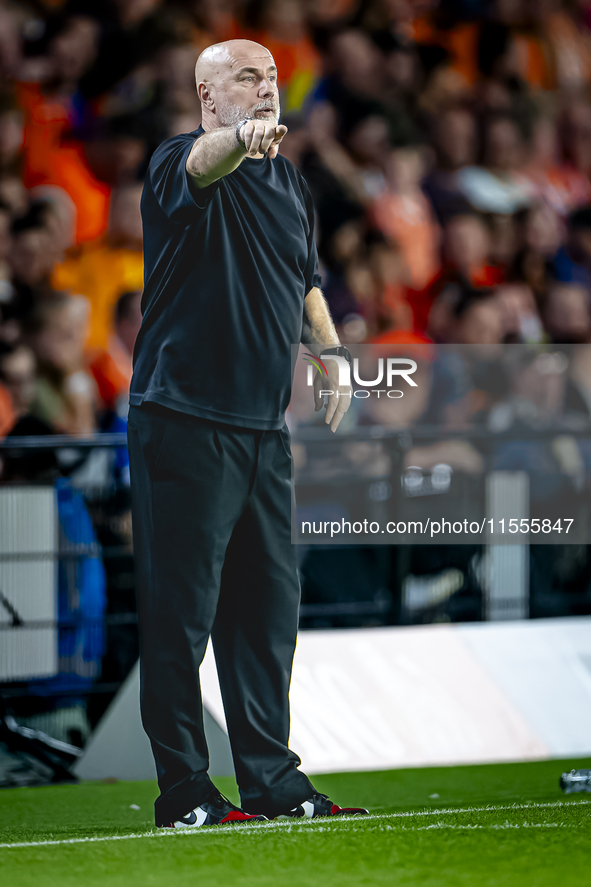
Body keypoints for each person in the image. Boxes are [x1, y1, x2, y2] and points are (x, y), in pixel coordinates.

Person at [127, 39, 368, 830]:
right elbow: (204, 164)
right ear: (206, 92)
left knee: (266, 612)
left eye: (269, 78)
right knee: (180, 611)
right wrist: (239, 139)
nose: (264, 89)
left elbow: (303, 278)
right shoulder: (177, 161)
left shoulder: (290, 182)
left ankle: (272, 781)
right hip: (183, 419)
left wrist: (329, 353)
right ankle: (183, 790)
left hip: (265, 427)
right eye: (245, 78)